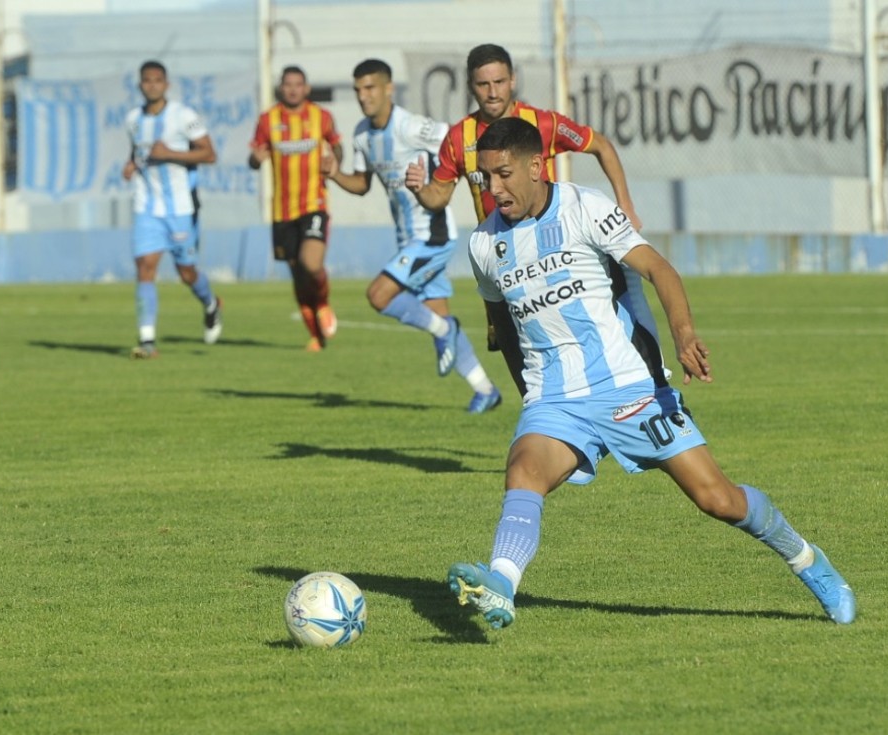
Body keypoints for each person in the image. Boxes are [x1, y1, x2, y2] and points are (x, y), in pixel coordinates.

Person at [446, 117, 857, 629]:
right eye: (485, 177)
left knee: (718, 499)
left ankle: (807, 560)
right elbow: (503, 325)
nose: (493, 188)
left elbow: (660, 269)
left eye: (503, 174)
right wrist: (531, 396)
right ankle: (502, 585)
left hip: (628, 385)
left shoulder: (585, 207)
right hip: (556, 398)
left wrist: (683, 336)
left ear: (536, 166)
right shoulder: (484, 243)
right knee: (523, 471)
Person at [406, 43, 640, 352]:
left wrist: (625, 205)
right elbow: (438, 196)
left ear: (513, 80)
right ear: (470, 86)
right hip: (502, 259)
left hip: (553, 251)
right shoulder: (459, 137)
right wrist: (420, 189)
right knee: (517, 348)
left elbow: (601, 145)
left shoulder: (542, 123)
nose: (493, 92)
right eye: (483, 84)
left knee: (576, 334)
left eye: (499, 82)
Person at [324, 59, 502, 413]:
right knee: (437, 313)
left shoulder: (411, 127)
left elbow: (456, 141)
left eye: (370, 88)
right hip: (408, 239)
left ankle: (443, 330)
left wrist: (452, 179)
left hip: (432, 235)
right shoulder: (362, 134)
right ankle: (485, 390)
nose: (363, 96)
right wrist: (334, 173)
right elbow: (361, 184)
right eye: (358, 90)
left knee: (379, 295)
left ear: (388, 88)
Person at [123, 59, 222, 359]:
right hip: (146, 205)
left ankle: (211, 304)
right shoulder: (132, 119)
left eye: (157, 80)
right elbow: (138, 151)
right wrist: (131, 164)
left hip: (179, 207)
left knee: (186, 273)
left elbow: (209, 154)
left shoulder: (184, 116)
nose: (152, 85)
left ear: (166, 84)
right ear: (140, 85)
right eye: (147, 80)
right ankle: (147, 340)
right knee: (145, 267)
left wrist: (169, 154)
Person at [249, 66, 342, 351]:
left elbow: (337, 145)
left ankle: (323, 303)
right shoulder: (268, 120)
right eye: (287, 85)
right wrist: (255, 159)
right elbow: (254, 157)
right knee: (298, 275)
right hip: (282, 210)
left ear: (306, 88)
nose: (292, 90)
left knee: (311, 264)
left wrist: (334, 161)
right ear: (281, 88)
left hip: (314, 204)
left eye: (298, 84)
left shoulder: (321, 117)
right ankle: (315, 336)